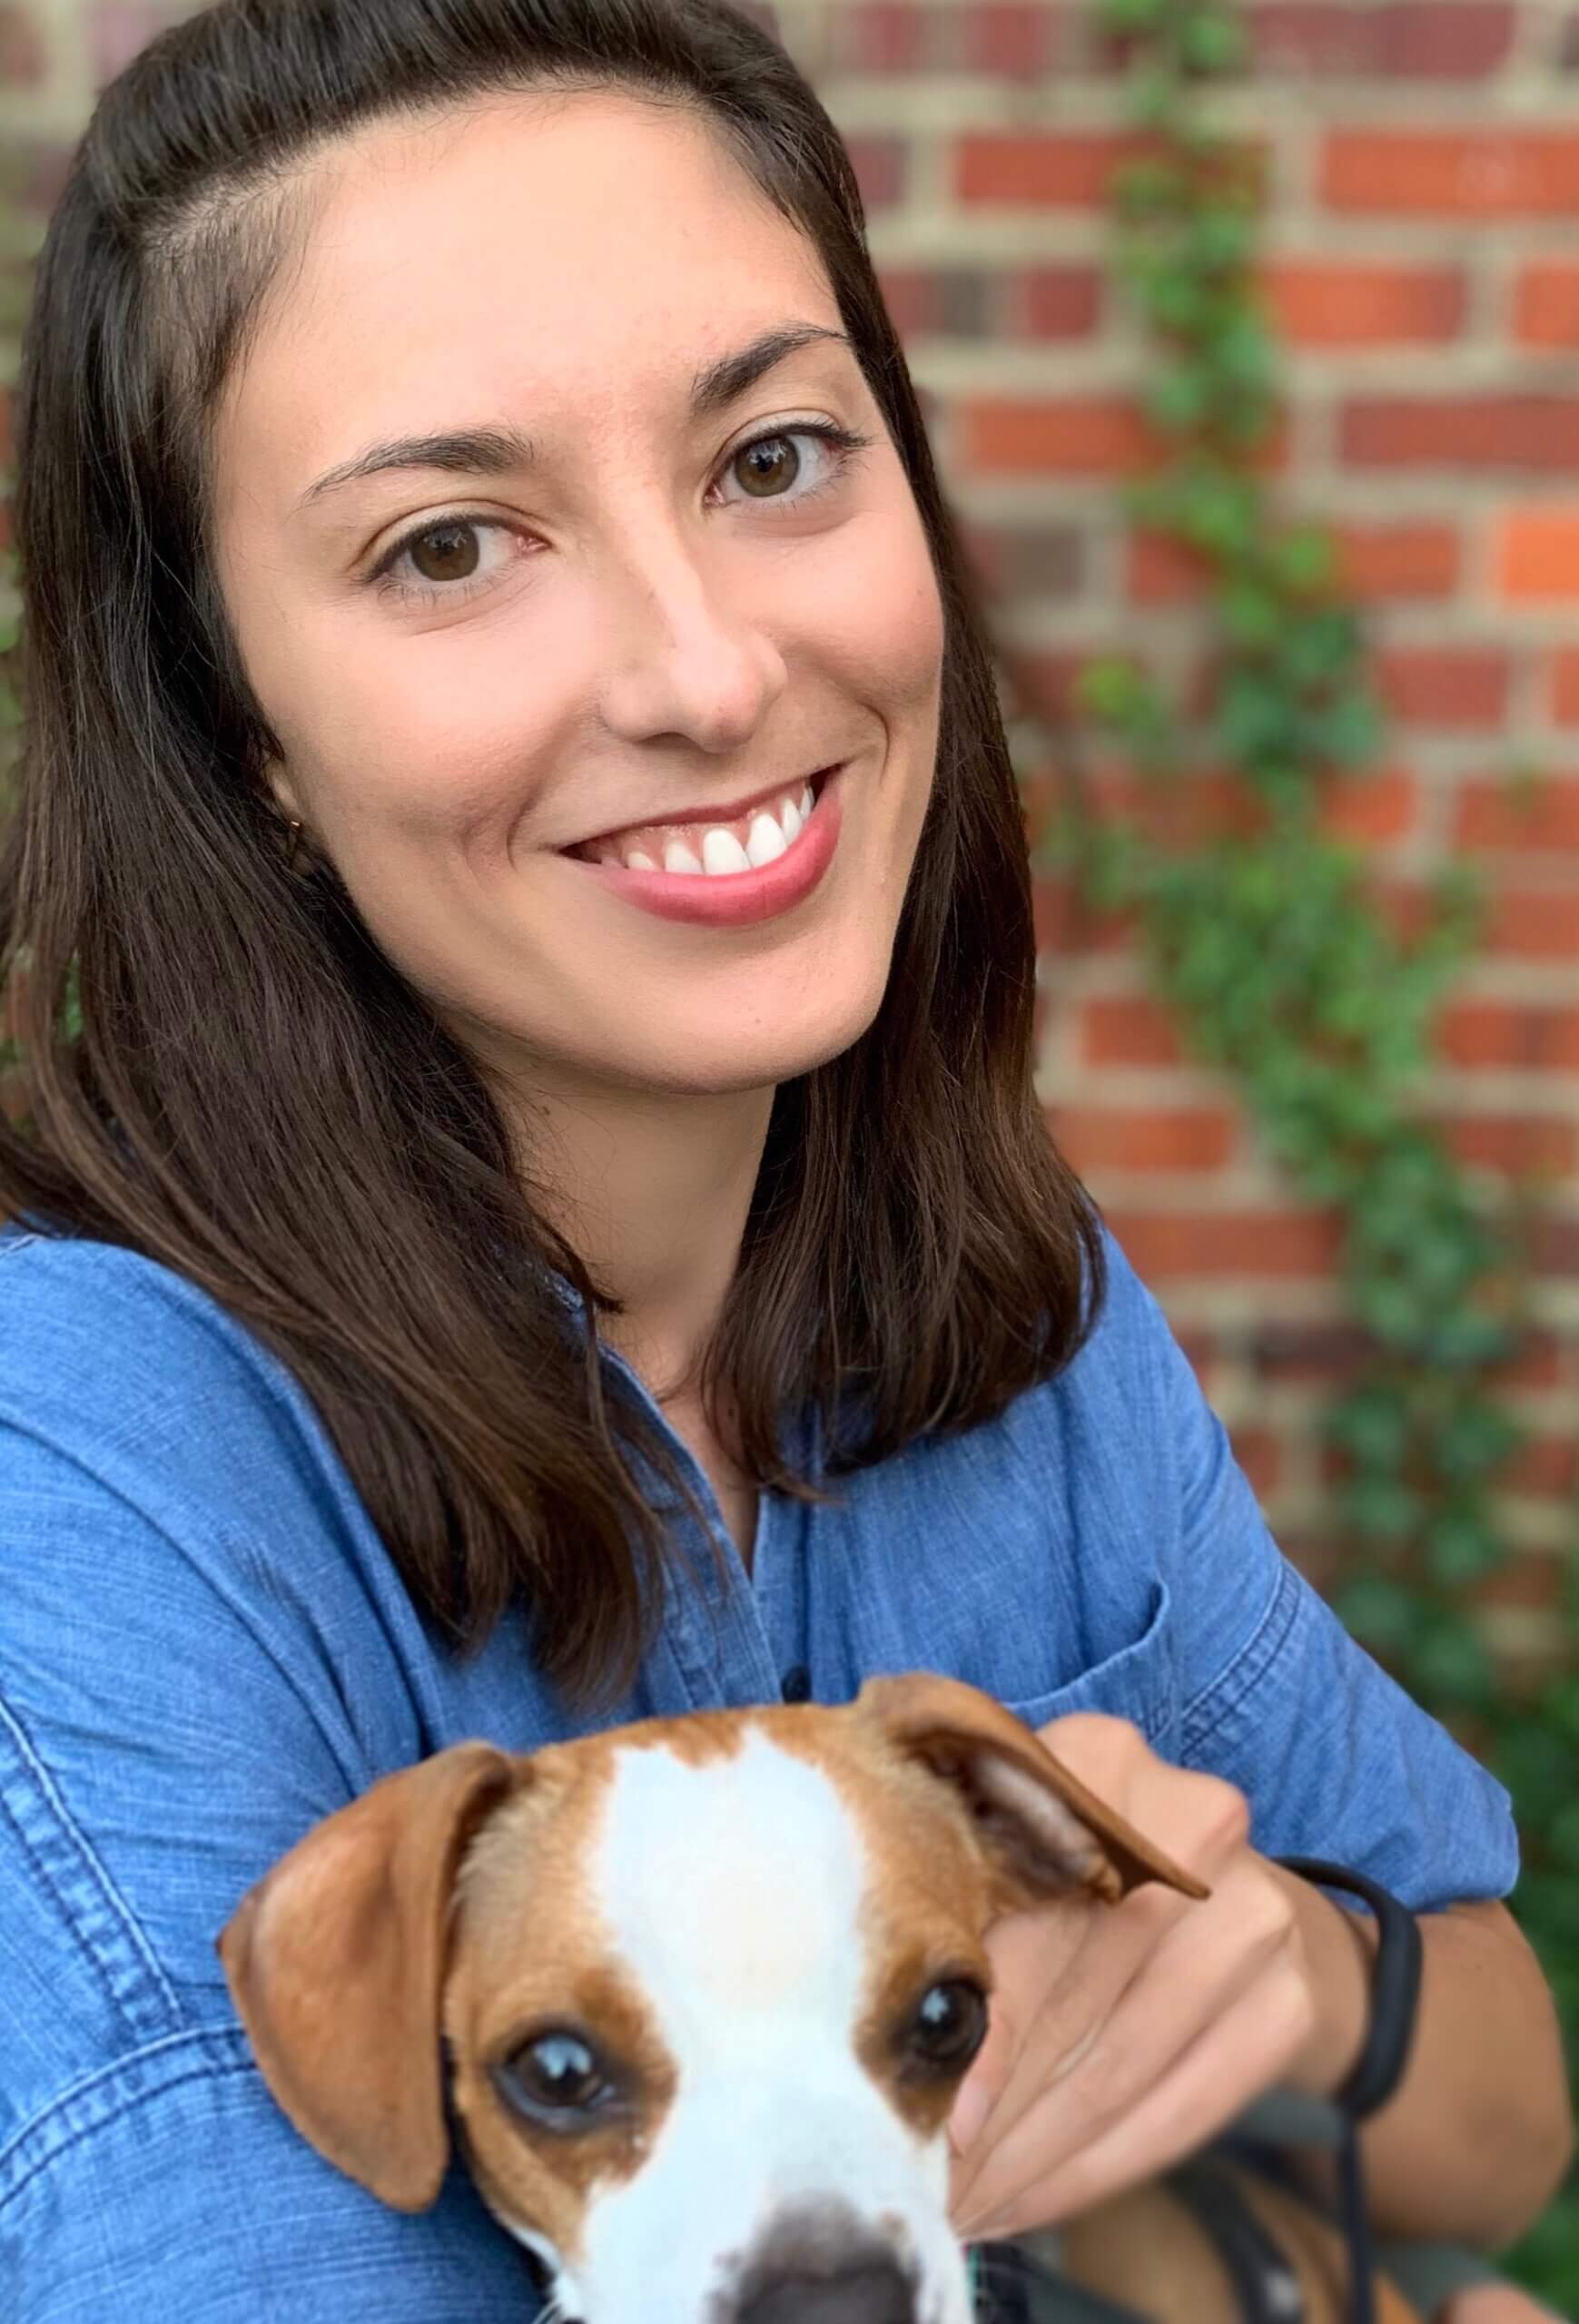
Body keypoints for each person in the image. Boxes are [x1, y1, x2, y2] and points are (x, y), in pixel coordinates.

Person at [0, 1, 1569, 2317]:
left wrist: (1302, 1980)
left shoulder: (1009, 1321)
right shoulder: (80, 1481)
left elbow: (1497, 2109)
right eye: (450, 543)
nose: (708, 668)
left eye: (770, 459)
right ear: (238, 728)